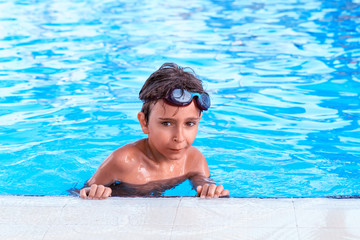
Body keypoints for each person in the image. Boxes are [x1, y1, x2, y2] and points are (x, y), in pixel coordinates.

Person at [80, 63, 229, 199]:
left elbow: (206, 186)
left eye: (189, 123)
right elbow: (80, 193)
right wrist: (93, 192)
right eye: (166, 123)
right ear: (144, 122)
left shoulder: (194, 160)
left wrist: (212, 191)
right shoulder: (123, 161)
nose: (179, 137)